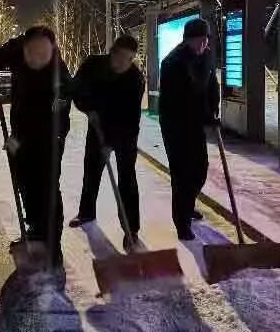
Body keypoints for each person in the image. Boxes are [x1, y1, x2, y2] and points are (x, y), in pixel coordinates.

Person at [0, 25, 72, 267]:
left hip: (50, 137)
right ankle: (35, 229)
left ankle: (53, 246)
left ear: (52, 49)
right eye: (32, 51)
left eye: (43, 52)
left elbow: (56, 115)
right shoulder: (16, 50)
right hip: (21, 131)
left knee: (48, 190)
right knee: (25, 184)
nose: (36, 57)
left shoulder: (59, 76)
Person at [68, 35, 145, 249]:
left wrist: (113, 141)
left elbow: (132, 117)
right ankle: (86, 212)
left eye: (129, 59)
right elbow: (76, 90)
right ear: (112, 52)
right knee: (91, 172)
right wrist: (88, 108)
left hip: (125, 133)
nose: (123, 63)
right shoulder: (92, 65)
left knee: (127, 179)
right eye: (120, 56)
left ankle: (131, 229)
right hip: (98, 127)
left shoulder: (135, 79)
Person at [159, 18, 220, 241]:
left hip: (196, 124)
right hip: (176, 126)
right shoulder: (172, 63)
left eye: (206, 40)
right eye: (200, 40)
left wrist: (213, 109)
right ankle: (182, 222)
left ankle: (188, 204)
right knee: (182, 175)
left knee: (200, 170)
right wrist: (205, 116)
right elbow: (182, 101)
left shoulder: (206, 56)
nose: (204, 44)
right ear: (188, 40)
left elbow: (212, 85)